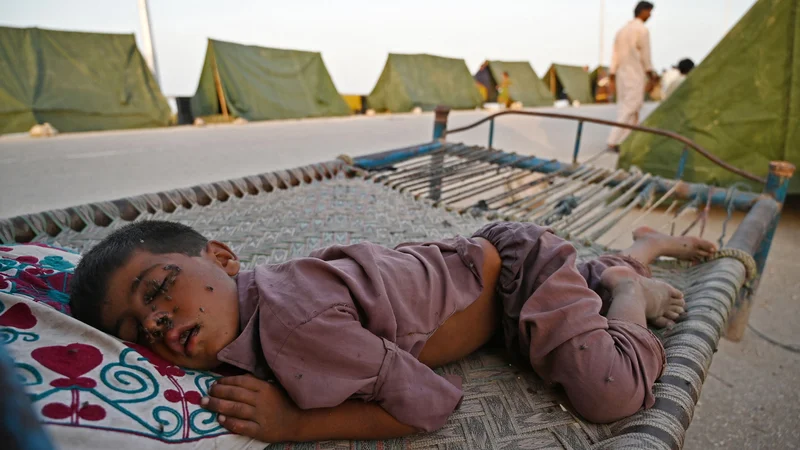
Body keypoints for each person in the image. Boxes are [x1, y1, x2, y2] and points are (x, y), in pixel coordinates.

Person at [69, 220, 716, 443]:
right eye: (133, 332)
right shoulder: (244, 319)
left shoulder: (297, 322)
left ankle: (630, 275)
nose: (154, 321)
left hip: (519, 271)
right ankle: (598, 273)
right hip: (477, 285)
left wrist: (297, 425)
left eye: (157, 289)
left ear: (222, 258)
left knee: (611, 391)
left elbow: (433, 402)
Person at [607, 1, 657, 152]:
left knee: (629, 107)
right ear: (642, 11)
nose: (650, 15)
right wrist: (651, 74)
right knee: (631, 106)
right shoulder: (641, 30)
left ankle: (628, 141)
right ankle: (613, 140)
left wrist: (612, 74)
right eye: (649, 12)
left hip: (621, 74)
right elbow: (645, 55)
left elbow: (614, 55)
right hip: (635, 73)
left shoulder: (621, 31)